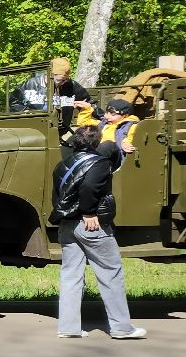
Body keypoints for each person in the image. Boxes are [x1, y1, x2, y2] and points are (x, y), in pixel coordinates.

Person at [54, 126, 145, 341]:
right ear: (95, 143)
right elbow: (89, 188)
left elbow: (57, 196)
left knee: (70, 276)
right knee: (110, 273)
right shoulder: (99, 163)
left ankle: (69, 327)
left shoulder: (62, 164)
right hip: (91, 226)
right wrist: (88, 213)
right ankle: (122, 328)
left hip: (67, 225)